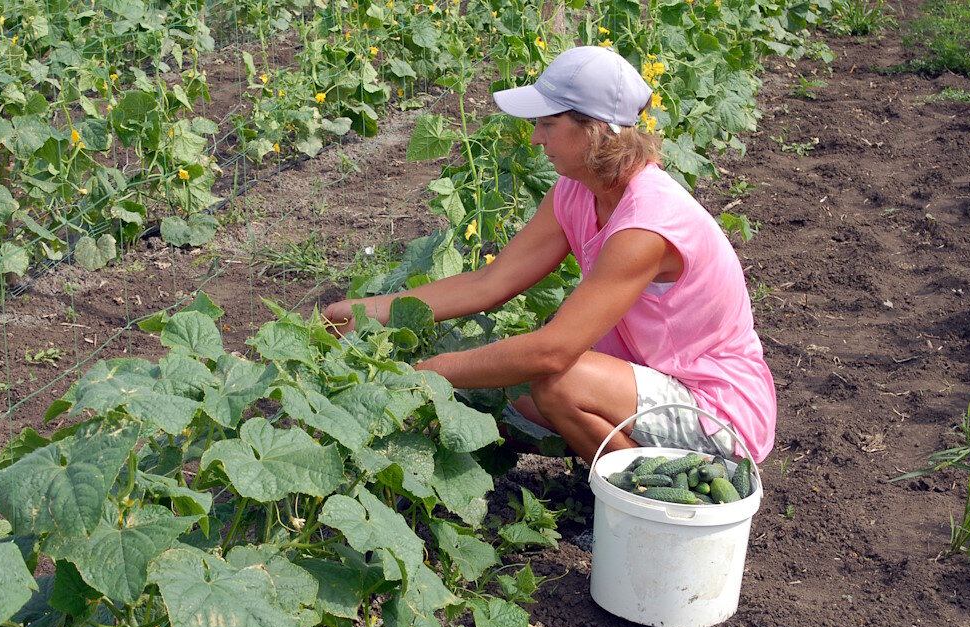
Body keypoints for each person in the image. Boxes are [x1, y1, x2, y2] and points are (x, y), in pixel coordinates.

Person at [323, 45, 776, 466]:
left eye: (548, 123)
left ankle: (653, 500)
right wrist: (365, 311)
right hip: (651, 380)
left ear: (596, 130)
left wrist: (426, 373)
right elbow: (490, 283)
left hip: (716, 410)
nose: (536, 137)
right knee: (506, 393)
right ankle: (622, 470)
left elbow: (554, 352)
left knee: (555, 381)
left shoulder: (647, 223)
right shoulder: (575, 192)